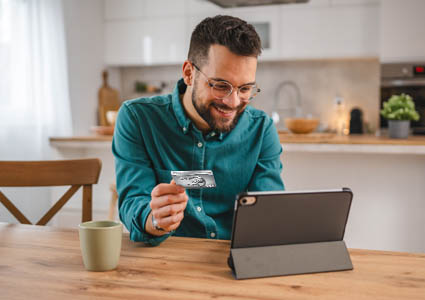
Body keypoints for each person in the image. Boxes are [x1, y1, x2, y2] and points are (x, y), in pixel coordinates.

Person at [112, 15, 285, 246]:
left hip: (232, 262)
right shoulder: (138, 119)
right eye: (221, 86)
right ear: (189, 73)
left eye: (244, 89)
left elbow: (268, 211)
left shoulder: (260, 130)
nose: (233, 102)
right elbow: (133, 202)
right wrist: (155, 219)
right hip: (164, 259)